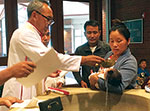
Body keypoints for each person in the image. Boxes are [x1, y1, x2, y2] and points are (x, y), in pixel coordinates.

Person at [1, 1, 104, 110]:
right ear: (35, 15)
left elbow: (37, 62)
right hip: (20, 90)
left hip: (29, 85)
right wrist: (83, 59)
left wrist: (47, 71)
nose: (49, 23)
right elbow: (49, 58)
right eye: (48, 18)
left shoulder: (33, 34)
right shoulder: (24, 33)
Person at [89, 19, 137, 94]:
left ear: (128, 41)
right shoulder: (109, 54)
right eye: (111, 41)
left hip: (123, 102)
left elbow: (118, 88)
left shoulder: (130, 61)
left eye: (119, 41)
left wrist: (96, 80)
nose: (114, 45)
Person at [73, 20, 110, 88]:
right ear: (85, 34)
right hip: (87, 86)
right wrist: (80, 81)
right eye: (89, 33)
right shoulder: (80, 50)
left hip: (104, 86)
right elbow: (75, 68)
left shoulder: (107, 48)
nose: (92, 36)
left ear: (99, 33)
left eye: (95, 32)